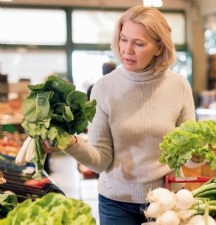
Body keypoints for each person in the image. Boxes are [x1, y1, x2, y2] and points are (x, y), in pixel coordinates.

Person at [43, 5, 197, 225]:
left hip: (168, 202)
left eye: (139, 43)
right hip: (116, 203)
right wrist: (71, 143)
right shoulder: (104, 88)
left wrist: (199, 153)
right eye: (124, 39)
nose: (127, 50)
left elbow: (188, 156)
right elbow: (100, 160)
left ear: (158, 47)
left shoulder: (179, 86)